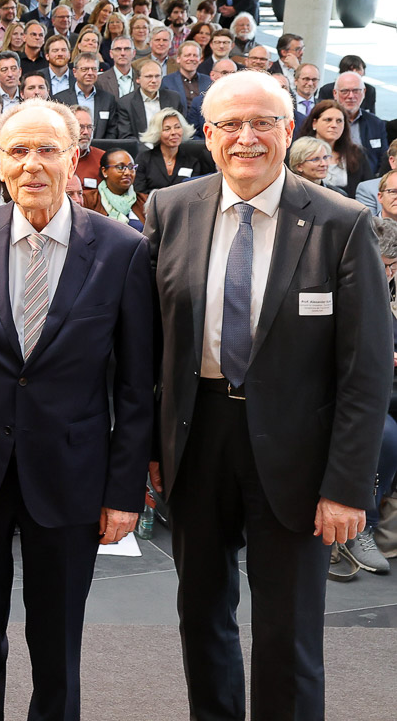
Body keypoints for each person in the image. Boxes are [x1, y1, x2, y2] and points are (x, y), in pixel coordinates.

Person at [145, 71, 389, 720]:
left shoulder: (341, 224)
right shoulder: (169, 211)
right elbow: (149, 347)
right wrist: (148, 449)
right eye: (230, 124)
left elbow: (365, 372)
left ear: (289, 129)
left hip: (300, 458)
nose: (246, 138)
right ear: (209, 133)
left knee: (287, 634)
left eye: (262, 124)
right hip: (197, 444)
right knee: (202, 618)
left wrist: (347, 486)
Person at [0, 99, 153, 721]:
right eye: (17, 151)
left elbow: (135, 384)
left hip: (71, 477)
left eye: (47, 150)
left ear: (76, 159)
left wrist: (124, 491)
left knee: (58, 645)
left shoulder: (123, 250)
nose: (31, 165)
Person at [296, 98, 372, 199]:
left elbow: (368, 188)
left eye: (339, 121)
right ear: (314, 123)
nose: (334, 125)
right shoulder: (298, 152)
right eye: (328, 120)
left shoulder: (357, 154)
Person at [134, 108, 214, 195]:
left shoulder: (192, 161)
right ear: (157, 132)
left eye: (177, 127)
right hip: (151, 206)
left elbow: (196, 192)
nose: (173, 132)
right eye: (167, 129)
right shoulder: (144, 159)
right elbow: (139, 191)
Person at [84, 147, 148, 226]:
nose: (128, 172)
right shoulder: (88, 200)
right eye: (120, 167)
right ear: (104, 171)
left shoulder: (145, 201)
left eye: (131, 167)